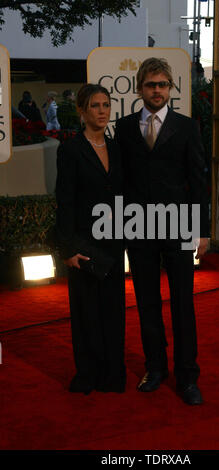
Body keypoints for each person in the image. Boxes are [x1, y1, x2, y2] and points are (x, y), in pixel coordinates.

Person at [115, 58, 209, 405]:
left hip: (180, 224)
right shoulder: (124, 128)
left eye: (163, 84)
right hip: (139, 226)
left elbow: (198, 181)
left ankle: (187, 376)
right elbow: (120, 182)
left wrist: (202, 230)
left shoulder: (187, 127)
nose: (157, 90)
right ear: (140, 88)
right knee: (147, 303)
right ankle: (155, 367)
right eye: (151, 84)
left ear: (171, 88)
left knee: (184, 304)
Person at [55, 83, 126, 395]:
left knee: (113, 311)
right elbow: (65, 200)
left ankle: (113, 374)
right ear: (82, 111)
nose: (102, 111)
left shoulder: (118, 147)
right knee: (86, 313)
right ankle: (87, 374)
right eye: (95, 106)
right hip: (83, 242)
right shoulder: (70, 149)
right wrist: (68, 247)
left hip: (113, 241)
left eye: (106, 105)